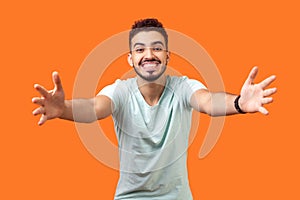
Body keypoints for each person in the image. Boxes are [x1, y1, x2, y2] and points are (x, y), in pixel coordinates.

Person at [32, 18, 277, 199]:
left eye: (157, 48)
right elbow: (95, 107)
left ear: (168, 56)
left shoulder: (183, 87)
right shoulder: (120, 91)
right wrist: (63, 109)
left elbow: (208, 102)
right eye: (140, 49)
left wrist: (239, 104)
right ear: (130, 58)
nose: (149, 55)